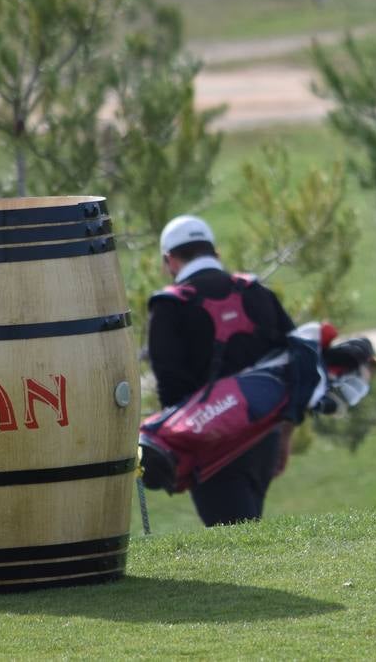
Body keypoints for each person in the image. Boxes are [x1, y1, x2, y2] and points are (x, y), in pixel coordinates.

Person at [146, 213, 297, 527]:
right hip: (263, 437)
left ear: (169, 260)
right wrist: (284, 435)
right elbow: (293, 364)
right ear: (215, 254)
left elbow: (170, 391)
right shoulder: (255, 292)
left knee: (236, 536)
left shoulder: (169, 307)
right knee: (247, 527)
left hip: (210, 443)